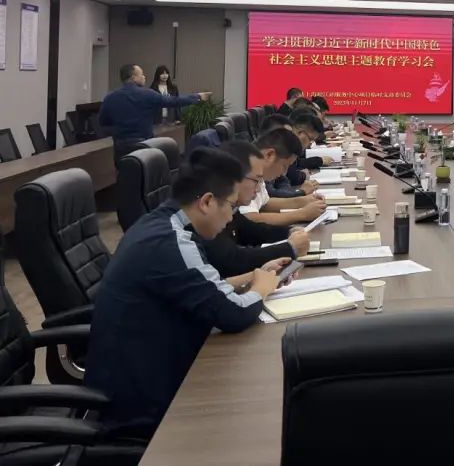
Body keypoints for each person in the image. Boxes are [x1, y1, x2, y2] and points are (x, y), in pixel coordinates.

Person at [85, 148, 289, 434]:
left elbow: (202, 285)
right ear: (207, 202)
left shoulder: (163, 223)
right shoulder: (170, 243)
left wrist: (254, 277)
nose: (231, 218)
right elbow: (234, 314)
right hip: (145, 403)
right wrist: (260, 290)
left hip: (150, 369)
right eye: (231, 206)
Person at [198, 141, 310, 277]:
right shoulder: (208, 210)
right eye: (256, 180)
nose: (258, 189)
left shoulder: (229, 206)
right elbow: (230, 261)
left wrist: (289, 232)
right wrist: (289, 248)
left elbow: (251, 230)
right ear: (234, 178)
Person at [100, 64, 210, 163]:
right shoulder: (147, 94)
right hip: (142, 146)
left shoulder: (109, 97)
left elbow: (103, 123)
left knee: (124, 174)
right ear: (133, 77)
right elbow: (172, 101)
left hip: (120, 147)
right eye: (141, 74)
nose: (144, 77)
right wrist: (197, 96)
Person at [241, 128, 325, 226]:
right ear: (269, 155)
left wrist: (302, 201)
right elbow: (249, 218)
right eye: (284, 166)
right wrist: (302, 214)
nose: (284, 173)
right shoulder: (244, 169)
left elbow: (265, 203)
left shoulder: (257, 170)